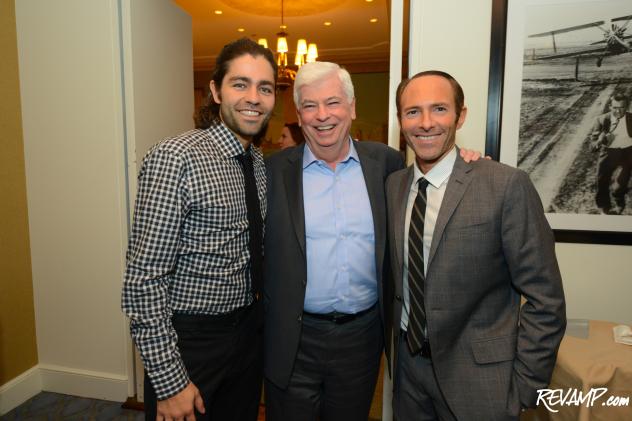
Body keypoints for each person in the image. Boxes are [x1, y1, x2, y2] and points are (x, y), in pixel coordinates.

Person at [386, 70, 566, 420]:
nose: (425, 123)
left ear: (460, 115)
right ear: (400, 120)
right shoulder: (394, 186)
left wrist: (525, 388)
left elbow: (546, 300)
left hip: (481, 382)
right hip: (408, 374)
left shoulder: (505, 185)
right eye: (412, 112)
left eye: (439, 109)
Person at [121, 38, 276, 421]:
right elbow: (143, 278)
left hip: (248, 336)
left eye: (265, 87)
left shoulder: (257, 162)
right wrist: (170, 380)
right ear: (215, 90)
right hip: (192, 343)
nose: (253, 97)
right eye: (240, 84)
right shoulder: (177, 157)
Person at [590, 93, 632, 214]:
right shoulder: (602, 119)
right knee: (601, 180)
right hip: (609, 153)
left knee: (620, 185)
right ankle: (604, 207)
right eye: (615, 107)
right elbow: (592, 147)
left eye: (622, 107)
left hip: (628, 152)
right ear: (610, 106)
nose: (618, 111)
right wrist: (599, 141)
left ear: (627, 106)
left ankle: (619, 200)